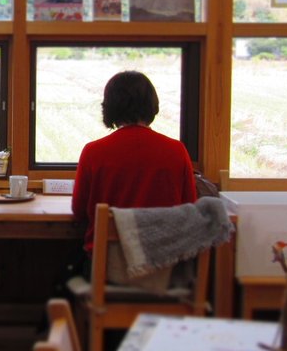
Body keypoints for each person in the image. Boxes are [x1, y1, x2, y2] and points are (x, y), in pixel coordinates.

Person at [72, 70, 197, 258]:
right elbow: (190, 209)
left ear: (109, 107)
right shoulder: (176, 151)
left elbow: (79, 211)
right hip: (164, 269)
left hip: (107, 269)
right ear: (152, 105)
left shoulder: (94, 152)